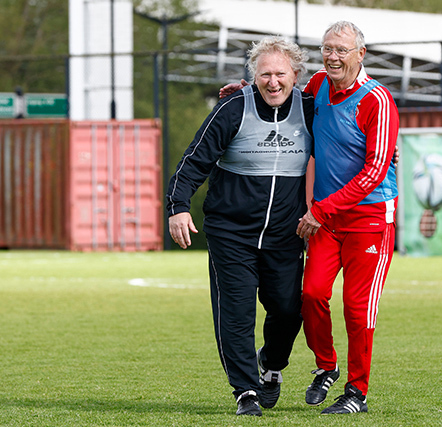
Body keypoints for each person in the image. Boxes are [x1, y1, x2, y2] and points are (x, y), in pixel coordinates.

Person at [166, 36, 313, 416]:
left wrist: (388, 151)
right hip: (231, 233)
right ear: (253, 76)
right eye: (265, 74)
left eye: (280, 74)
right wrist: (178, 207)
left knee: (288, 309)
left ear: (295, 75)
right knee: (236, 312)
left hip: (286, 235)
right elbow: (193, 161)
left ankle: (272, 365)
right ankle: (245, 391)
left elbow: (348, 140)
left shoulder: (312, 109)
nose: (273, 82)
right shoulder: (232, 108)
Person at [296, 21, 399, 415]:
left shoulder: (378, 101)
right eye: (327, 48)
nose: (332, 56)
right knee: (311, 295)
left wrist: (319, 209)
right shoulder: (317, 85)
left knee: (357, 308)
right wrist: (244, 93)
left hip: (369, 221)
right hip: (327, 220)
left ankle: (357, 392)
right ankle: (327, 366)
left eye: (341, 49)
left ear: (361, 54)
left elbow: (374, 172)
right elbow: (283, 100)